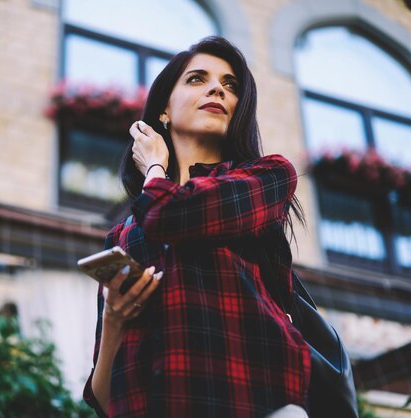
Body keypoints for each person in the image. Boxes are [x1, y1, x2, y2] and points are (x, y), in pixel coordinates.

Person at [83, 36, 310, 418]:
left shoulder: (268, 176)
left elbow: (170, 214)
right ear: (164, 112)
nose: (217, 88)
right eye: (196, 79)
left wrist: (154, 167)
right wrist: (114, 320)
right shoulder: (125, 235)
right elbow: (104, 399)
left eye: (230, 85)